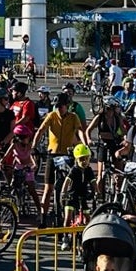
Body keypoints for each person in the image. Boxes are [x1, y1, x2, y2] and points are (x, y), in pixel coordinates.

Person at [33, 92, 85, 227]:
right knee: (48, 188)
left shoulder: (73, 117)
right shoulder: (52, 115)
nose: (58, 109)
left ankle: (69, 213)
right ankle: (43, 217)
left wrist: (84, 144)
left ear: (67, 106)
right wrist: (34, 147)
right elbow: (41, 130)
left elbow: (80, 131)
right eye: (56, 106)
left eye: (61, 106)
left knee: (71, 186)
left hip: (68, 155)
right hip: (53, 153)